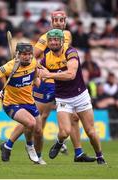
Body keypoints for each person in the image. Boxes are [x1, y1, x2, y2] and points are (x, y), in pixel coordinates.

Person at [0, 10, 96, 164]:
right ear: (51, 21)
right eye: (55, 20)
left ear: (65, 21)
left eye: (61, 19)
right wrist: (31, 69)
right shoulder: (45, 38)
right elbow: (33, 56)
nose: (58, 22)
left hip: (64, 83)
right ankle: (11, 145)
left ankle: (78, 153)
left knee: (74, 118)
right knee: (35, 119)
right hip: (46, 84)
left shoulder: (68, 35)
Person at [39, 29, 106, 165]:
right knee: (64, 133)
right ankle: (59, 142)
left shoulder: (71, 52)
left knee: (91, 132)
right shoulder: (46, 59)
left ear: (62, 41)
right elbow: (38, 73)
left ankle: (100, 156)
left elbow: (71, 75)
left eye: (56, 40)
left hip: (80, 96)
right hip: (63, 98)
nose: (53, 42)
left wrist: (49, 75)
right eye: (51, 40)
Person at [0, 43, 41, 163]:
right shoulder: (9, 67)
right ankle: (30, 146)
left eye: (30, 54)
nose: (28, 57)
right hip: (12, 104)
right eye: (24, 54)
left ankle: (7, 146)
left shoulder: (34, 62)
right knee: (30, 123)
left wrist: (36, 80)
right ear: (18, 55)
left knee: (38, 129)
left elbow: (35, 74)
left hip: (29, 102)